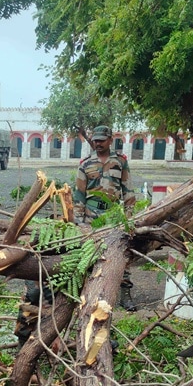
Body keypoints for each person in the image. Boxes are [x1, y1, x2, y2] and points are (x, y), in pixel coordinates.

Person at [75, 125, 137, 310]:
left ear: (110, 140)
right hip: (91, 217)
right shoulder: (85, 164)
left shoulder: (120, 162)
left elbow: (128, 190)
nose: (98, 143)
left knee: (121, 254)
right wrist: (78, 222)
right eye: (95, 140)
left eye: (102, 140)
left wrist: (129, 218)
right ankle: (87, 295)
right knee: (90, 255)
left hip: (114, 216)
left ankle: (125, 296)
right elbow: (79, 194)